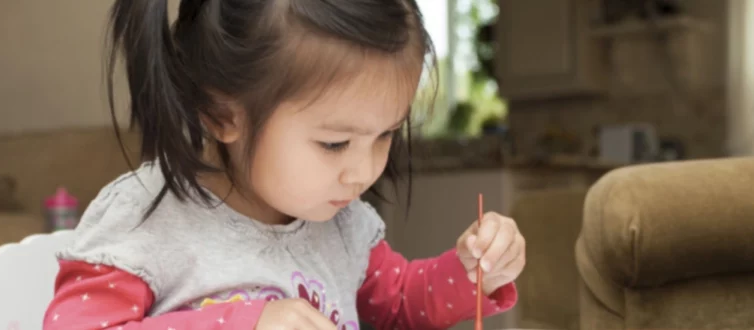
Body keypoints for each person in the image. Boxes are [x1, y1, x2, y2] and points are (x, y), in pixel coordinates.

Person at [43, 0, 526, 329]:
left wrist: (472, 271)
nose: (363, 171)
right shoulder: (146, 221)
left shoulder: (342, 225)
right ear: (221, 114)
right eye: (335, 143)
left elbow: (401, 304)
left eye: (385, 135)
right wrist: (244, 321)